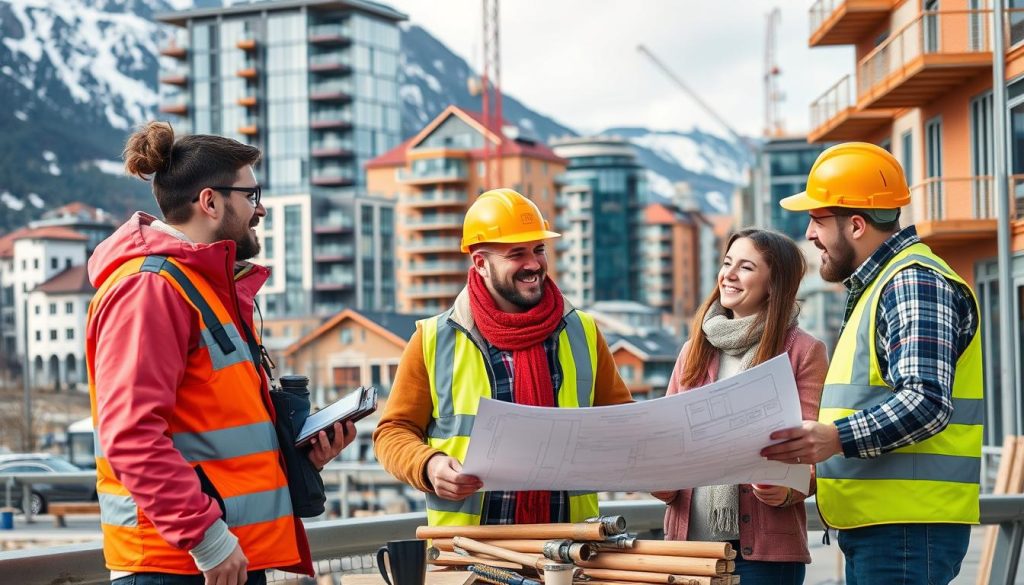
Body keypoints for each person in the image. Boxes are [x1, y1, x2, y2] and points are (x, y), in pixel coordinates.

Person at [86, 122, 355, 585]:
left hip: (219, 558)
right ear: (210, 201)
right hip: (181, 564)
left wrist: (297, 455)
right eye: (251, 196)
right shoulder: (150, 289)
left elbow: (215, 433)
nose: (262, 209)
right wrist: (206, 538)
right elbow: (131, 434)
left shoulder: (201, 288)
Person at [762, 142, 983, 585]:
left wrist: (834, 438)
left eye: (817, 220)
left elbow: (926, 402)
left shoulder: (912, 282)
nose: (808, 234)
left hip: (904, 531)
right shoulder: (883, 284)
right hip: (889, 528)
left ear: (857, 224)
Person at [373, 188, 633, 525]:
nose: (533, 264)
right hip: (470, 557)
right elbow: (393, 432)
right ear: (480, 263)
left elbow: (624, 426)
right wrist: (430, 465)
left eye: (539, 250)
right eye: (516, 253)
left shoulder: (583, 332)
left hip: (568, 550)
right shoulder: (434, 340)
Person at [651, 229, 827, 584]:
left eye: (745, 267)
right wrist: (656, 475)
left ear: (773, 284)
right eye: (727, 263)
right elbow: (667, 437)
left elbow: (817, 452)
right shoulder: (693, 349)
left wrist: (789, 489)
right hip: (689, 549)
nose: (728, 275)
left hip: (763, 556)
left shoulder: (804, 352)